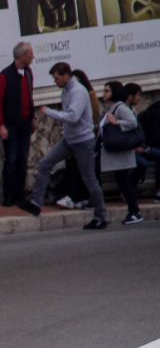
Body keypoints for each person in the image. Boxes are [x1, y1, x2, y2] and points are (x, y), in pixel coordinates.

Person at [23, 62, 109, 228]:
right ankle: (36, 203)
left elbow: (73, 117)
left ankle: (101, 216)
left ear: (65, 75)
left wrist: (49, 111)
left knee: (89, 178)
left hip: (83, 141)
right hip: (69, 140)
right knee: (45, 163)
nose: (55, 82)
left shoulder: (78, 91)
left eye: (56, 78)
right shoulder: (66, 90)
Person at [0, 42, 35, 207]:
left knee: (23, 159)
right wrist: (1, 125)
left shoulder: (28, 73)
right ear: (22, 56)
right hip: (11, 124)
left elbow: (30, 97)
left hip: (25, 122)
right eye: (30, 54)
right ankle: (8, 195)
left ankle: (20, 193)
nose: (32, 57)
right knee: (11, 159)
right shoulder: (5, 75)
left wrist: (32, 118)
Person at [99, 81, 144, 225]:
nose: (103, 94)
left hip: (121, 154)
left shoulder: (120, 108)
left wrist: (116, 122)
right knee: (123, 182)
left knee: (124, 183)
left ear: (115, 92)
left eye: (107, 91)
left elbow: (132, 123)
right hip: (115, 154)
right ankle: (134, 211)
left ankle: (134, 212)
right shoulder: (110, 108)